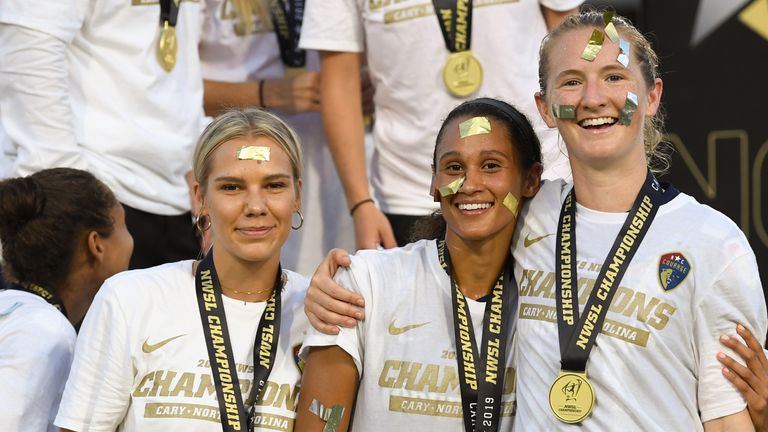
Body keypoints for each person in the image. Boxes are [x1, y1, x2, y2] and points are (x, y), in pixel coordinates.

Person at [302, 10, 767, 430]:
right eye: (570, 81)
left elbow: (730, 420)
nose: (592, 98)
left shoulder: (714, 245)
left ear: (652, 95)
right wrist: (337, 286)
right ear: (544, 107)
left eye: (613, 76)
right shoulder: (527, 215)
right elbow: (445, 238)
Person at [295, 98, 542, 431]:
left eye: (491, 166)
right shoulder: (366, 282)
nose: (469, 185)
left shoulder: (550, 295)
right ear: (434, 183)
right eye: (454, 167)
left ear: (530, 180)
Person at [55, 108, 310, 431]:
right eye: (232, 187)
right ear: (200, 198)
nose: (256, 207)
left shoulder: (319, 311)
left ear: (297, 196)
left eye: (274, 185)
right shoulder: (131, 299)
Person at [299, 0, 581, 249]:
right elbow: (339, 85)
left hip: (536, 178)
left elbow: (569, 48)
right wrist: (360, 204)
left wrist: (581, 168)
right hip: (411, 192)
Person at [0, 0, 206, 269]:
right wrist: (70, 191)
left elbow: (177, 68)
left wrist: (198, 164)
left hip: (176, 202)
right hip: (90, 195)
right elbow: (28, 53)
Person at [199, 0, 354, 275]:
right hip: (232, 168)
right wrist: (269, 93)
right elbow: (170, 88)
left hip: (335, 175)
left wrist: (356, 85)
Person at [0, 167, 133, 431]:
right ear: (96, 245)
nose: (132, 240)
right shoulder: (46, 332)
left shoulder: (24, 316)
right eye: (124, 226)